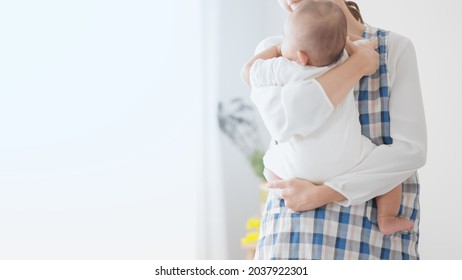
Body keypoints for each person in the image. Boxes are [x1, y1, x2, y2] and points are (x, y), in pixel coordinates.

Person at [247, 0, 426, 260]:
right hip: (292, 230)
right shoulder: (276, 50)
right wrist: (358, 64)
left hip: (369, 233)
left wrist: (322, 193)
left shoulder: (394, 49)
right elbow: (284, 121)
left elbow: (411, 152)